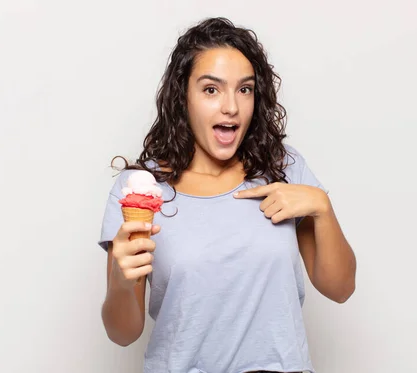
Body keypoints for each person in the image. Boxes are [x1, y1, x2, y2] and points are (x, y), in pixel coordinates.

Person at [97, 17, 356, 373]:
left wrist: (323, 208)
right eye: (211, 90)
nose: (231, 107)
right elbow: (122, 333)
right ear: (182, 96)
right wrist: (123, 282)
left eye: (244, 89)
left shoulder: (283, 167)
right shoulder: (141, 189)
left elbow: (340, 289)